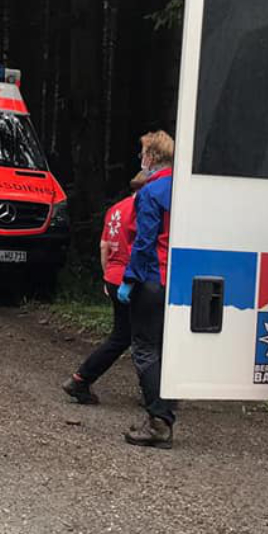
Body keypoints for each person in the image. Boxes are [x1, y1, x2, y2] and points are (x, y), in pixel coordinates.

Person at [62, 171, 149, 405]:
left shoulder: (115, 209)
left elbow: (104, 246)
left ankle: (80, 379)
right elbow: (144, 242)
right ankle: (151, 394)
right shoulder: (142, 207)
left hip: (113, 275)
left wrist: (106, 277)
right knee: (144, 338)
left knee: (123, 336)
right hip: (133, 279)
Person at [119, 131, 175, 448]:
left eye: (143, 153)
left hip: (153, 277)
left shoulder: (151, 191)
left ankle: (158, 422)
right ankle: (166, 408)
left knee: (144, 349)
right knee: (167, 347)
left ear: (151, 157)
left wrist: (130, 279)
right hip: (178, 282)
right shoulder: (187, 190)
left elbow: (144, 242)